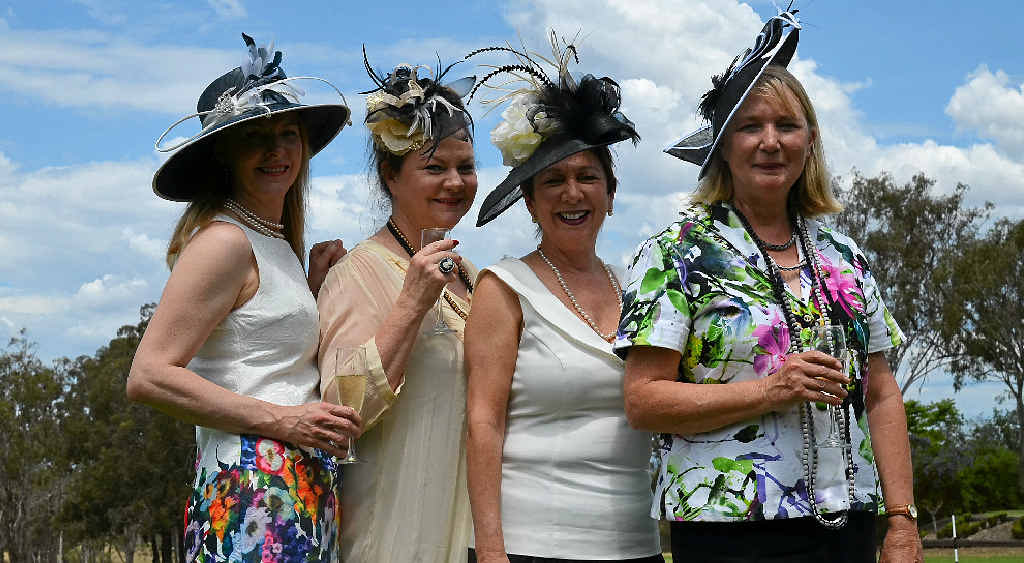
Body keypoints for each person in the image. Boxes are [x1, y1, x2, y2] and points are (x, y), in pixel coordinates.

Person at [615, 11, 923, 563]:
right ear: (723, 146)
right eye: (750, 126)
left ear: (810, 141)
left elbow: (880, 392)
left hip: (848, 524)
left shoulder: (844, 257)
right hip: (727, 531)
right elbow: (643, 401)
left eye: (787, 125)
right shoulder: (677, 253)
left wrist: (901, 521)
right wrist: (770, 390)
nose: (770, 142)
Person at [127, 34, 361, 561]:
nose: (277, 150)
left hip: (298, 484)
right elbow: (148, 376)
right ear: (226, 155)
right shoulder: (223, 242)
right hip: (252, 486)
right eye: (257, 137)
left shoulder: (271, 242)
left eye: (287, 133)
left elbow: (263, 355)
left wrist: (313, 286)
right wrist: (284, 422)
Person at [464, 34, 663, 563]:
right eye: (552, 181)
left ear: (611, 194)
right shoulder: (504, 288)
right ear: (529, 203)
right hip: (531, 544)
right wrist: (490, 547)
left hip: (634, 545)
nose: (572, 193)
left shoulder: (641, 290)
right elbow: (483, 420)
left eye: (587, 177)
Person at [316, 51, 478, 562]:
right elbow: (341, 411)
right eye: (435, 168)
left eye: (466, 168)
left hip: (472, 524)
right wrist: (410, 305)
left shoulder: (470, 274)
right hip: (395, 528)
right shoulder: (356, 273)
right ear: (390, 175)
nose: (455, 183)